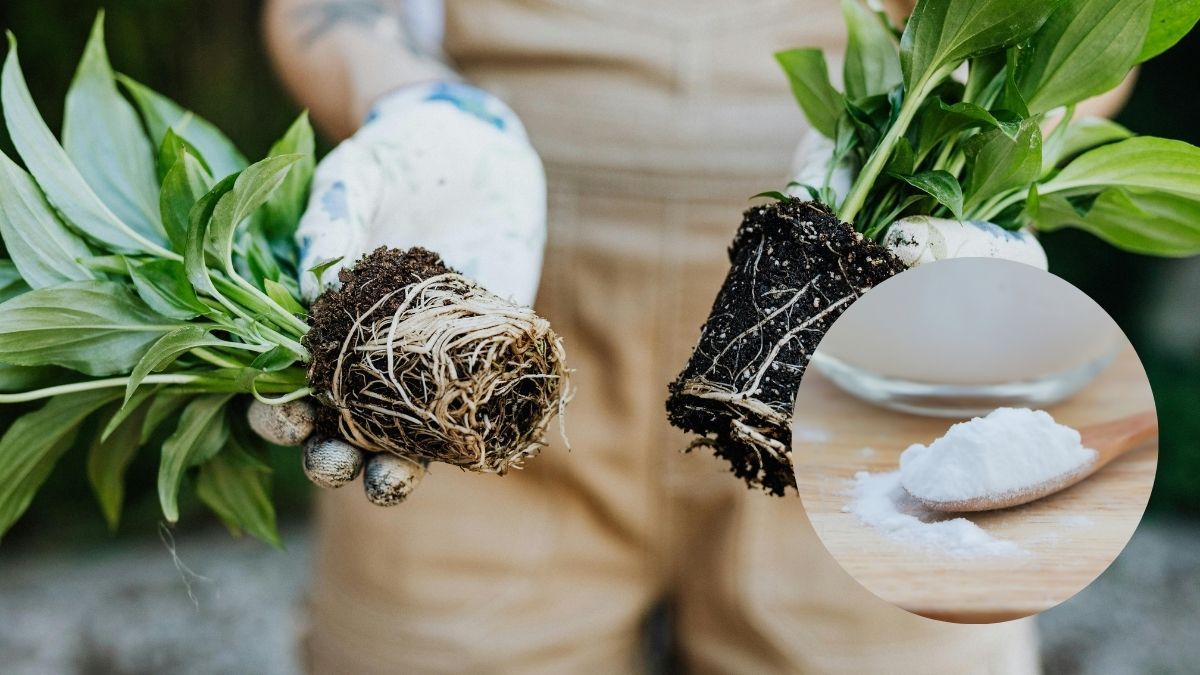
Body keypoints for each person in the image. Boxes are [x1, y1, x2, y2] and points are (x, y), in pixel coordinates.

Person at [263, 1, 1132, 672]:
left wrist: (967, 166)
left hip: (860, 323)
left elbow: (1092, 31)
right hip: (490, 316)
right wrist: (411, 105)